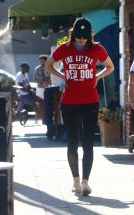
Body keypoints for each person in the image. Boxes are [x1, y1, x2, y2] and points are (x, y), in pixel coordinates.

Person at [45, 17, 114, 195]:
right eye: (78, 36)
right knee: (73, 143)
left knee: (88, 143)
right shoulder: (65, 48)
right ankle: (75, 181)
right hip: (69, 103)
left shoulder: (96, 48)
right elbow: (48, 64)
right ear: (73, 34)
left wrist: (97, 77)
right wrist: (61, 75)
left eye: (84, 37)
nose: (81, 40)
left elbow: (110, 66)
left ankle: (85, 182)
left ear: (89, 35)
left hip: (90, 102)